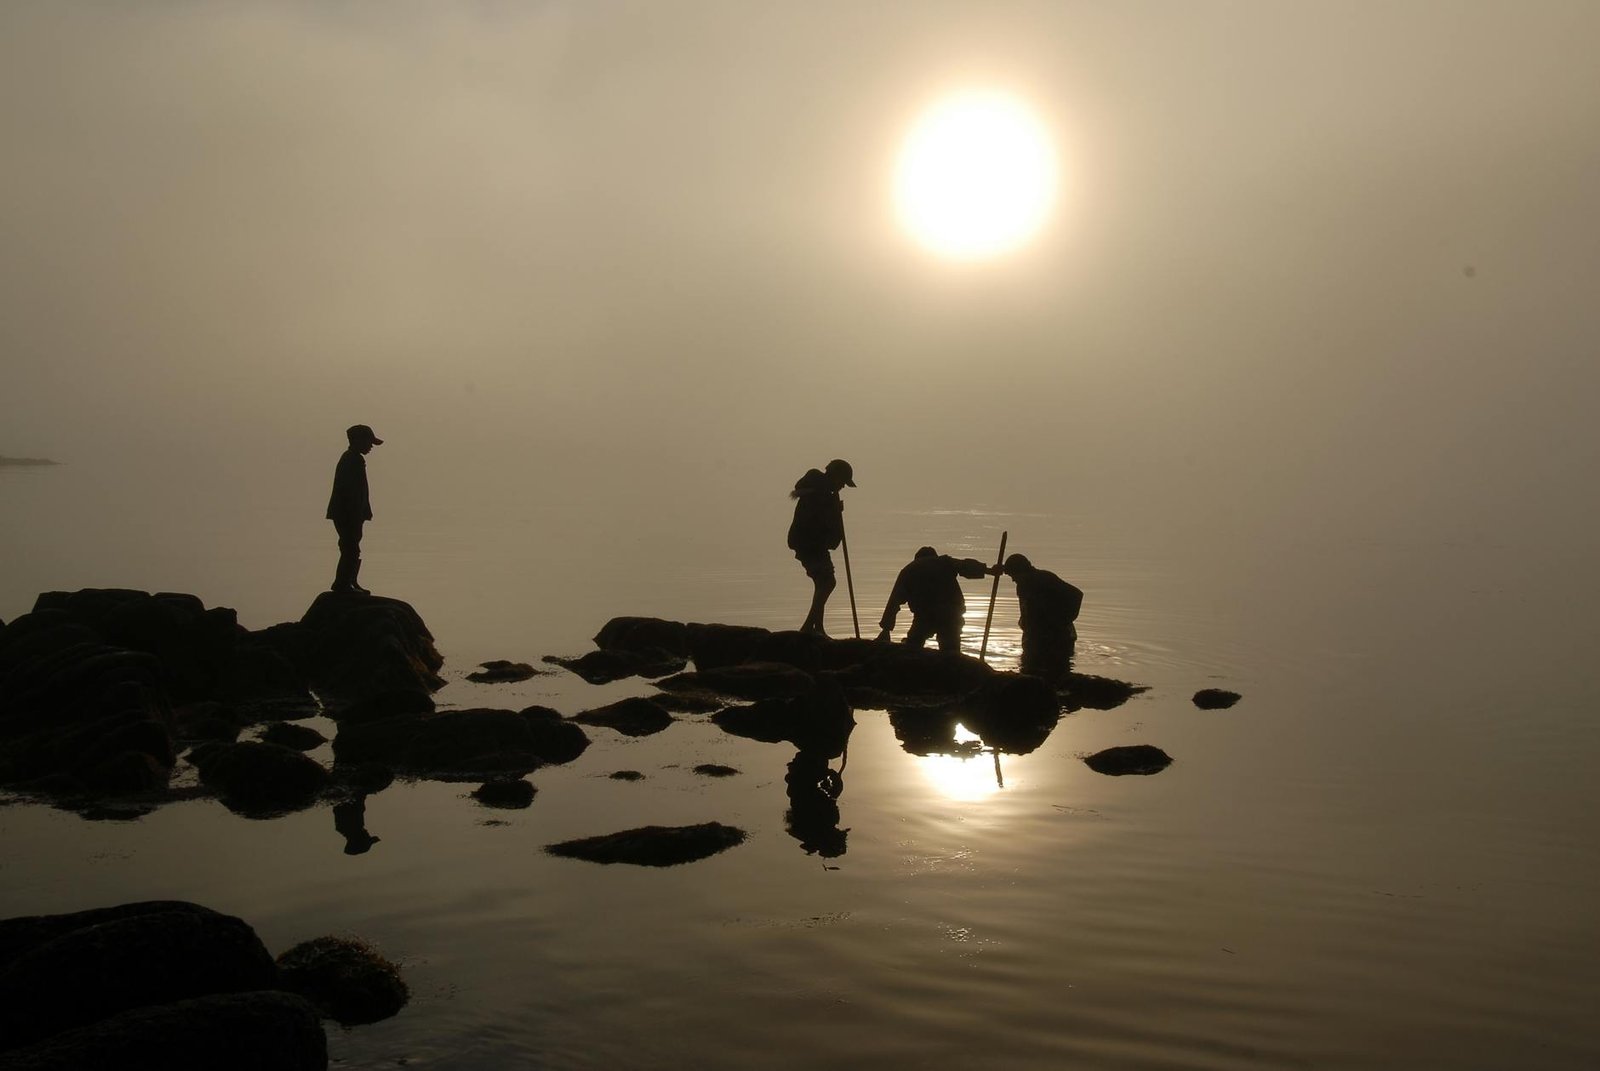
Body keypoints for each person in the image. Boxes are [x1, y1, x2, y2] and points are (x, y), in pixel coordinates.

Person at [876, 546, 992, 653]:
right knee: (951, 650)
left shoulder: (908, 570)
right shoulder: (945, 562)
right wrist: (988, 570)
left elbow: (894, 602)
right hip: (950, 614)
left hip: (925, 615)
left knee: (914, 645)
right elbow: (965, 566)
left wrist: (886, 629)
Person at [786, 458, 855, 636]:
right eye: (843, 482)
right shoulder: (820, 494)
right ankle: (809, 627)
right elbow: (817, 523)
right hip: (810, 545)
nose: (842, 487)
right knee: (827, 582)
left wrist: (833, 509)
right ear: (836, 476)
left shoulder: (822, 493)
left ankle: (817, 627)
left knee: (822, 583)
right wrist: (834, 510)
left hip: (812, 545)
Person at [1000, 553, 1083, 681]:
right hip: (1034, 641)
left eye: (1013, 575)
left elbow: (1076, 594)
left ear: (1022, 571)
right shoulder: (1022, 585)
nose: (1012, 579)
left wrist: (1063, 621)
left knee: (1054, 679)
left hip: (1056, 642)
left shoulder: (1045, 579)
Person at [326, 424, 383, 594]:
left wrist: (364, 511)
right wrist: (355, 513)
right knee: (350, 547)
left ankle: (350, 581)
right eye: (368, 442)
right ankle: (343, 583)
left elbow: (359, 491)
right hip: (347, 514)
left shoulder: (352, 459)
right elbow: (350, 492)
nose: (371, 446)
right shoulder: (352, 460)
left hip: (350, 513)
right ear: (357, 441)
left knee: (352, 546)